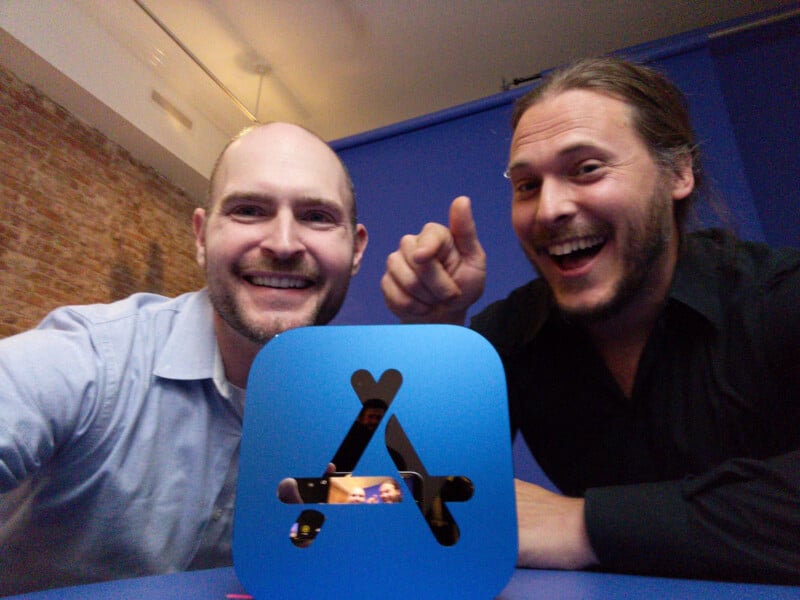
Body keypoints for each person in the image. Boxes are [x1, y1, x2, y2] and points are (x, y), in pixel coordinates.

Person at [381, 57, 799, 583]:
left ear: (678, 172)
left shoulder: (779, 297)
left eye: (587, 169)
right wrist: (436, 333)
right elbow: (405, 496)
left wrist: (581, 524)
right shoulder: (507, 335)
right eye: (527, 185)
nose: (549, 208)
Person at [0, 122, 369, 594]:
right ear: (200, 236)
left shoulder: (361, 414)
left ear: (355, 248)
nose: (282, 243)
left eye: (317, 216)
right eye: (249, 210)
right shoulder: (95, 358)